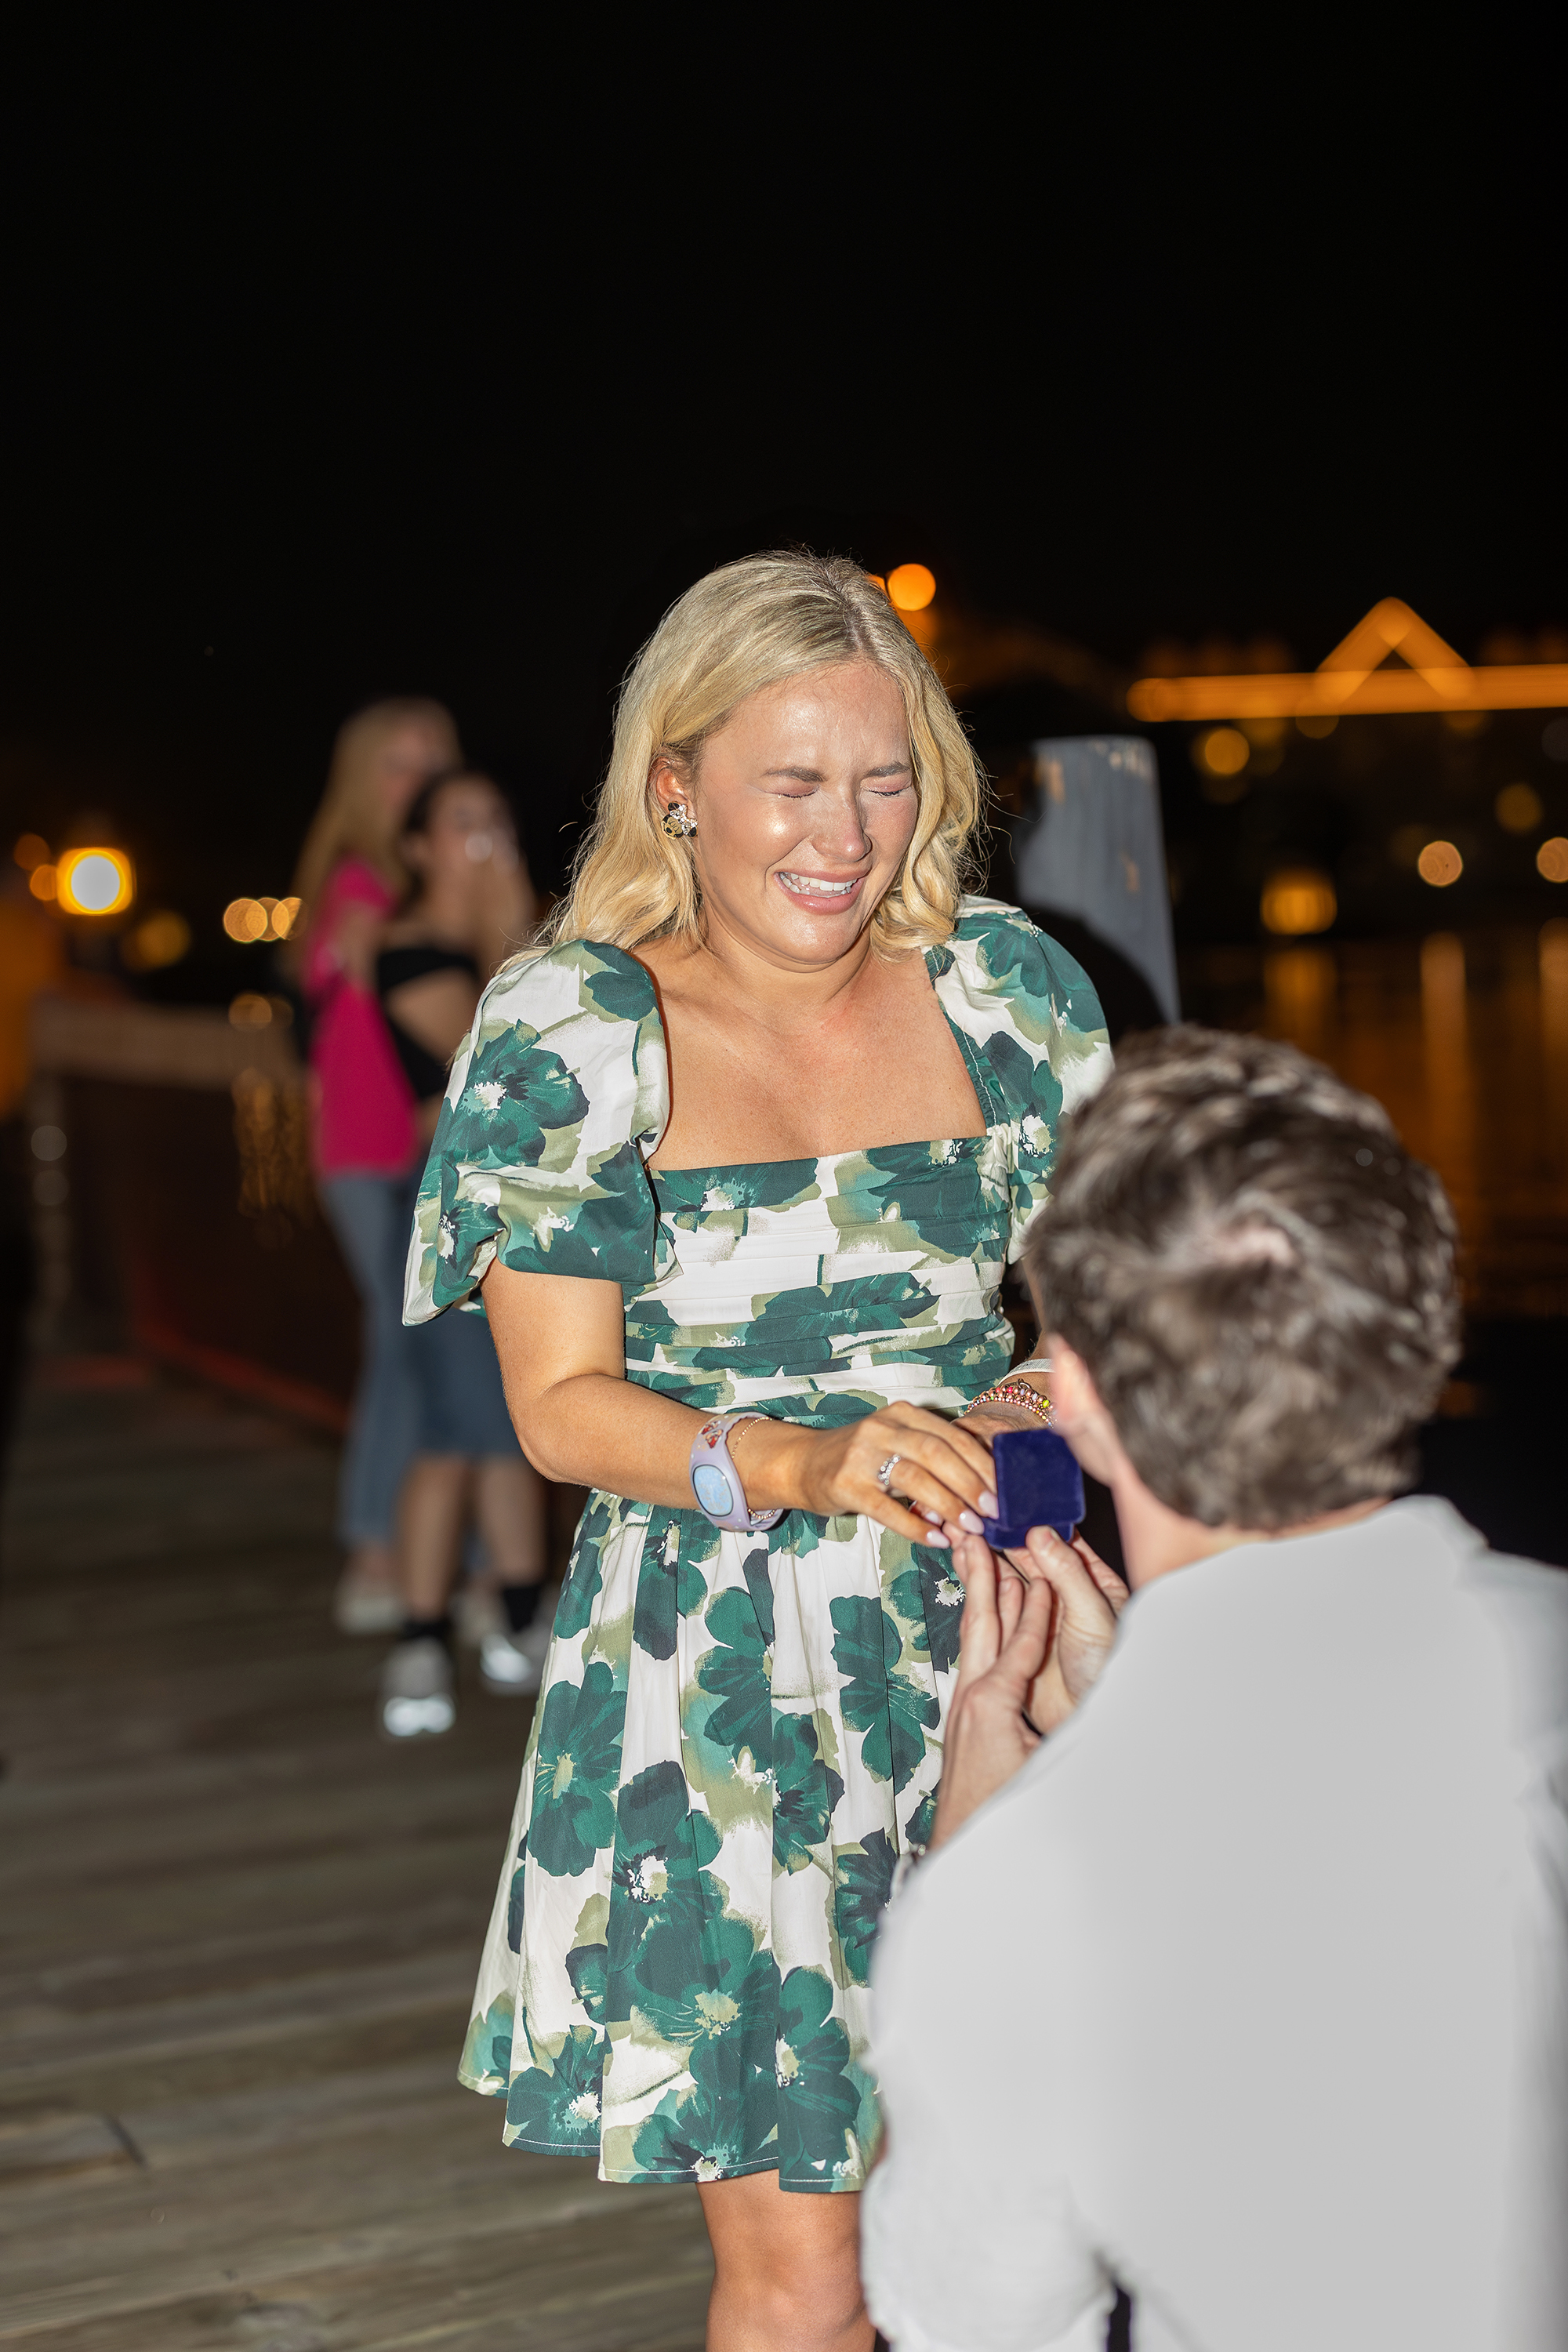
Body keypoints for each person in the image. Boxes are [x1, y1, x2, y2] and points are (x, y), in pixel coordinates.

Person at [402, 551, 1110, 2351]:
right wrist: (809, 1459)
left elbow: (1115, 1324)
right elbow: (560, 1409)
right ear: (676, 784)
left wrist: (1023, 1406)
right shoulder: (569, 1030)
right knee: (805, 2281)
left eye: (883, 780)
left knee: (1047, 2224)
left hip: (1006, 1630)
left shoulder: (1010, 993)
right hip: (721, 1679)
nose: (843, 834)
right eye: (790, 780)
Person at [863, 1028, 1568, 2352]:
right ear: (1418, 1329)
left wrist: (978, 1844)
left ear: (1068, 1392)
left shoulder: (1024, 1882)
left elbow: (973, 2324)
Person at [372, 768, 548, 1738]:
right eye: (462, 821)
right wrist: (511, 923)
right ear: (418, 846)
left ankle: (517, 1619)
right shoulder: (406, 951)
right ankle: (419, 1638)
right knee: (450, 1429)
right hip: (442, 1207)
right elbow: (504, 1056)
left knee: (519, 1415)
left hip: (522, 1207)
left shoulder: (515, 934)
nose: (483, 836)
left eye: (496, 817)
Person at [291, 698, 461, 1632]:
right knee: (405, 1346)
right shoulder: (364, 886)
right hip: (373, 1149)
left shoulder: (372, 882)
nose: (421, 779)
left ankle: (416, 1553)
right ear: (363, 781)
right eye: (399, 764)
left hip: (387, 1147)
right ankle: (374, 1551)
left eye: (433, 761)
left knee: (409, 1344)